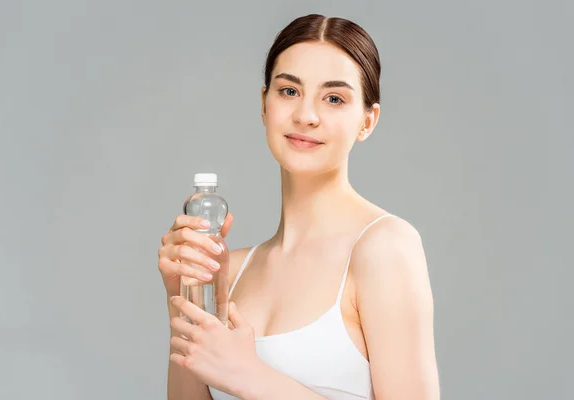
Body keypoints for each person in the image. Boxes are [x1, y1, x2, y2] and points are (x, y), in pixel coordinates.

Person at [158, 13, 440, 400]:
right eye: (289, 91)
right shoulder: (230, 271)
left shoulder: (384, 249)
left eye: (334, 98)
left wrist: (251, 377)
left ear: (367, 121)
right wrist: (182, 297)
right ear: (264, 103)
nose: (305, 116)